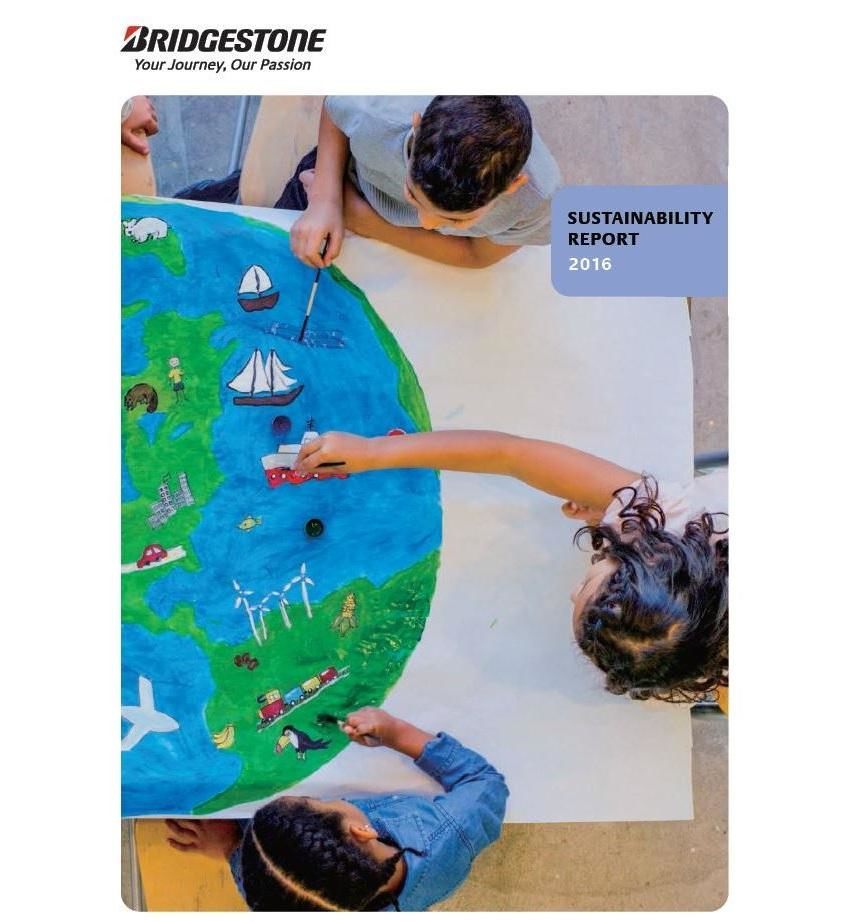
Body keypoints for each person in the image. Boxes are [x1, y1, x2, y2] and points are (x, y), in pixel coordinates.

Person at [293, 430, 729, 704]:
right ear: (649, 553)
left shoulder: (661, 532)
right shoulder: (670, 512)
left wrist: (614, 518)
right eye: (591, 578)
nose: (571, 591)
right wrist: (374, 452)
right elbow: (510, 454)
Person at [165, 707, 508, 911]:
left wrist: (230, 848)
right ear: (361, 831)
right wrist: (398, 733)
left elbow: (270, 889)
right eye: (314, 800)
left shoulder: (284, 897)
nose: (311, 794)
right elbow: (485, 783)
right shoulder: (444, 836)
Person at [176, 96, 561, 270]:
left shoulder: (540, 201)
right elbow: (336, 109)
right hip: (342, 184)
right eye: (412, 195)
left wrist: (364, 219)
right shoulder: (377, 112)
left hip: (359, 210)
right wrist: (326, 199)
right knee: (254, 246)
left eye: (457, 220)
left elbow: (476, 256)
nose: (427, 222)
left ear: (513, 186)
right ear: (414, 126)